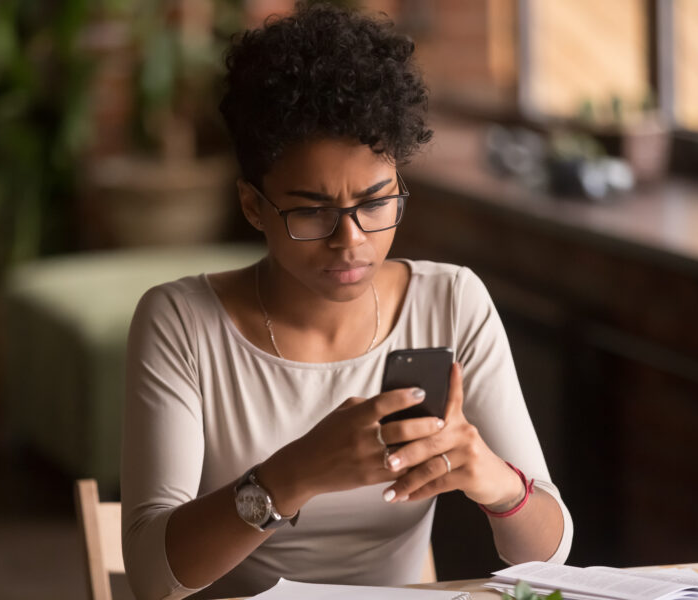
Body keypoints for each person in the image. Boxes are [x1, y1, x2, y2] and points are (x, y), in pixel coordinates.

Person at [121, 4, 573, 599]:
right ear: (253, 206)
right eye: (312, 210)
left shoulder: (451, 301)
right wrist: (294, 475)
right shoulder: (181, 323)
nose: (351, 240)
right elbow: (154, 580)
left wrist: (494, 480)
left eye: (376, 202)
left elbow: (551, 558)